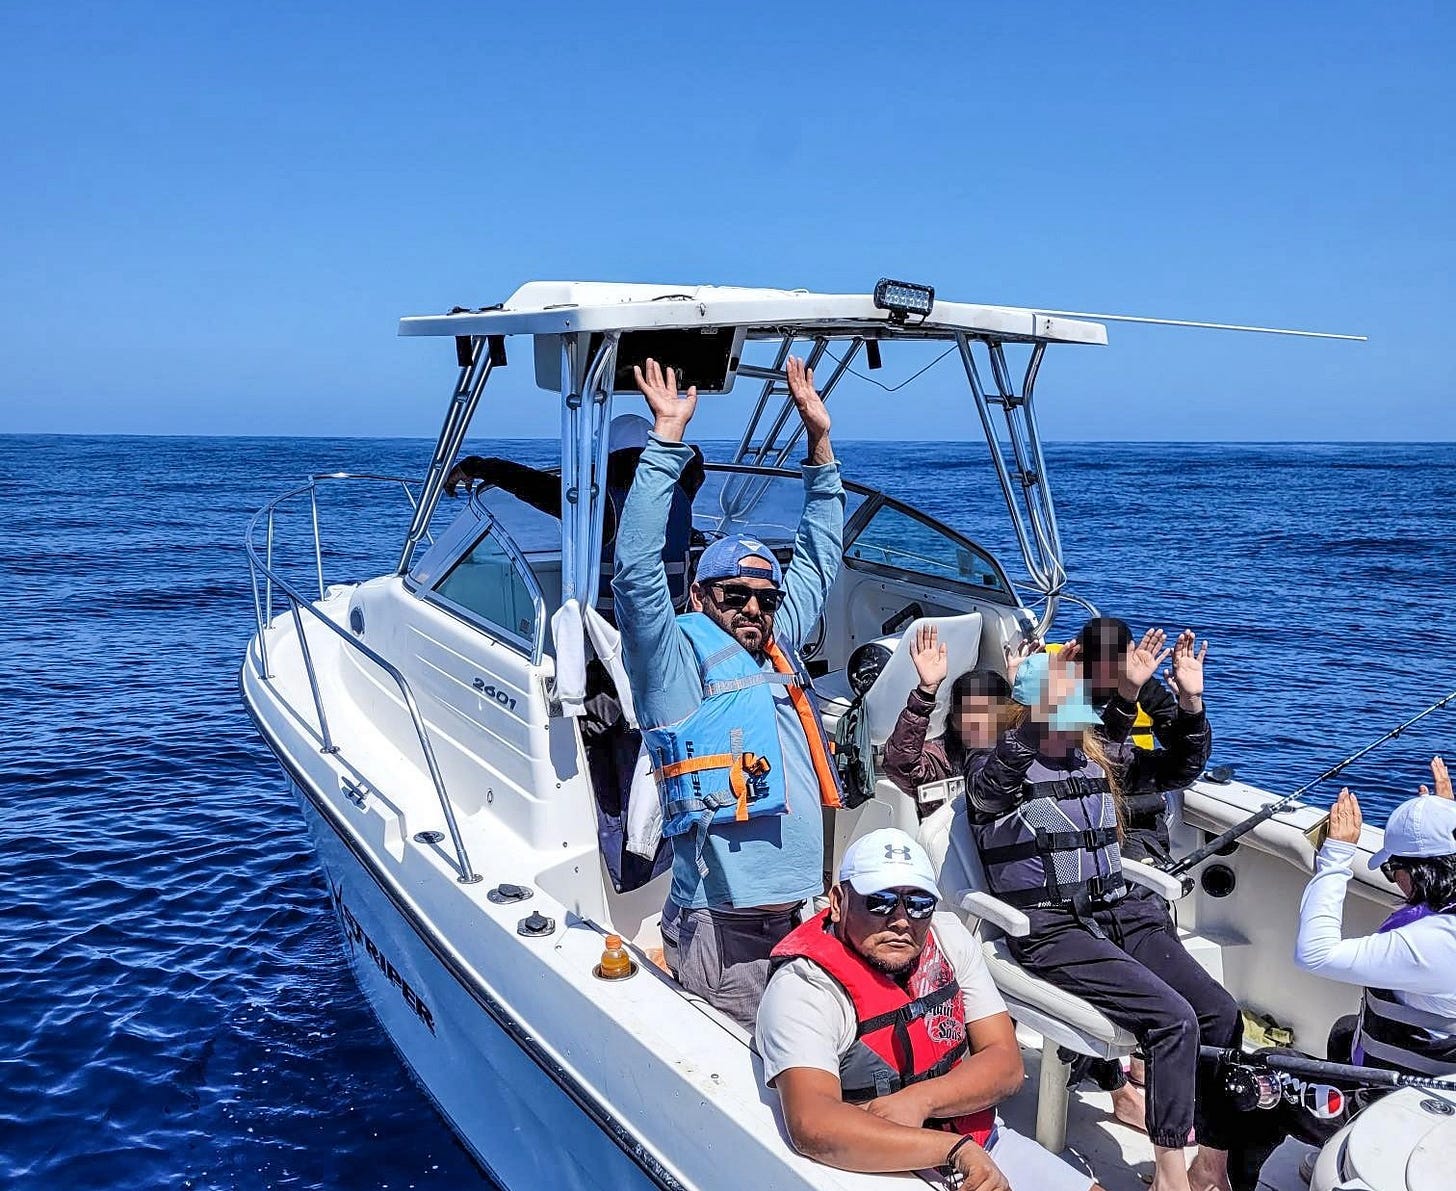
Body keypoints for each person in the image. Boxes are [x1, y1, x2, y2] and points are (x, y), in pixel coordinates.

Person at [612, 357, 846, 1029]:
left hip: (804, 912)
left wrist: (820, 442)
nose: (752, 607)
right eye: (734, 594)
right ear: (699, 596)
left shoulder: (777, 644)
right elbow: (635, 574)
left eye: (765, 597)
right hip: (724, 926)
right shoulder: (674, 666)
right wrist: (665, 440)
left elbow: (819, 554)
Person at [965, 650, 1240, 1191]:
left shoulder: (1093, 758)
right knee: (1172, 1019)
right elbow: (990, 789)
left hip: (1120, 910)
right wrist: (1040, 713)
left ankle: (1210, 1164)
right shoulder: (992, 763)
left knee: (1220, 1014)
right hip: (1051, 928)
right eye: (1062, 718)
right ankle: (1169, 1180)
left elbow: (1178, 765)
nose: (1075, 731)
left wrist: (1190, 703)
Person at [757, 828, 1103, 1191]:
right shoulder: (805, 987)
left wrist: (921, 1102)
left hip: (978, 1139)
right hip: (873, 1163)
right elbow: (813, 1124)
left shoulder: (948, 938)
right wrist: (952, 1150)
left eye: (919, 903)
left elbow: (1006, 1064)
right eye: (880, 901)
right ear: (839, 901)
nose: (901, 920)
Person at [1067, 621, 1219, 1133]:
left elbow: (1182, 766)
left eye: (1125, 662)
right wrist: (1123, 696)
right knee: (1116, 930)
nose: (1119, 673)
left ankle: (1146, 1068)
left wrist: (1191, 704)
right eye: (1106, 666)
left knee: (1153, 919)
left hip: (1142, 831)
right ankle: (1118, 1082)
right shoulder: (1064, 696)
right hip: (1087, 831)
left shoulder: (1147, 687)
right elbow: (1086, 760)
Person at [444, 413, 707, 612]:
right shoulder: (681, 491)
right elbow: (694, 459)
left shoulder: (601, 503)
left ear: (608, 455)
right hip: (672, 615)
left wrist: (478, 466)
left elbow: (530, 485)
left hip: (617, 624)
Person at [1294, 758, 1456, 1078]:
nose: (1394, 879)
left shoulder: (1435, 944)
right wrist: (1444, 818)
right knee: (1344, 1032)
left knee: (1265, 1063)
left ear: (1418, 873)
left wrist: (1335, 858)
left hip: (1408, 1097)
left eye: (1391, 869)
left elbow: (1314, 954)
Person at [882, 623, 1018, 820]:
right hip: (949, 838)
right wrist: (925, 692)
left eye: (990, 713)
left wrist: (1025, 695)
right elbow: (899, 765)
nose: (980, 722)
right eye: (971, 713)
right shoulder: (939, 759)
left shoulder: (1018, 753)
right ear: (954, 719)